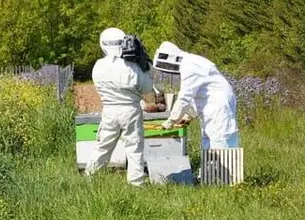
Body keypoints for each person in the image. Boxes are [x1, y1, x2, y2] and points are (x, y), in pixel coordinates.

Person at [85, 28, 156, 186]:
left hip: (109, 110)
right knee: (134, 147)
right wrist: (144, 66)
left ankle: (90, 178)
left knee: (103, 146)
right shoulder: (132, 66)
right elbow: (147, 88)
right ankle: (136, 183)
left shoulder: (99, 65)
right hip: (131, 110)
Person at [152, 41, 240, 149]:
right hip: (212, 109)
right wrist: (188, 115)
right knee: (208, 146)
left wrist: (171, 120)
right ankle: (211, 161)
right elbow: (197, 94)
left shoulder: (190, 66)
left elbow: (184, 98)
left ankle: (222, 161)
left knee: (221, 145)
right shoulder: (191, 62)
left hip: (218, 109)